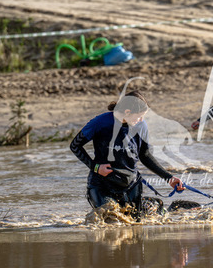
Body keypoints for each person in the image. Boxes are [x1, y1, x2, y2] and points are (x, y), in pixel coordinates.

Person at [70, 90, 184, 218]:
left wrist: (169, 178)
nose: (141, 120)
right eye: (139, 116)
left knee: (134, 223)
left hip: (131, 183)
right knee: (110, 217)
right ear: (127, 112)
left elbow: (145, 155)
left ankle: (153, 205)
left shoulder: (141, 125)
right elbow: (75, 145)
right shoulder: (100, 122)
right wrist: (96, 167)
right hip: (101, 185)